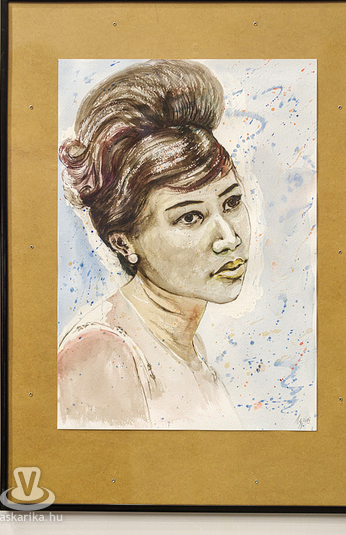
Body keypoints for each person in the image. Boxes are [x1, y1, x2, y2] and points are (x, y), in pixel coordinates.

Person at [58, 59, 251, 429]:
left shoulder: (188, 346)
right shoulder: (102, 353)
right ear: (123, 241)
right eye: (189, 217)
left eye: (232, 203)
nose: (230, 238)